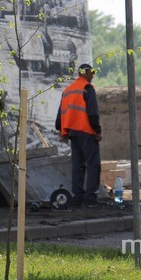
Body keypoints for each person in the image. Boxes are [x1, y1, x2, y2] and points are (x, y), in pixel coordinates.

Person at [54, 63, 102, 206]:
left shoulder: (68, 90)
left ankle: (78, 196)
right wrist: (97, 131)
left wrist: (61, 130)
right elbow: (93, 113)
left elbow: (59, 117)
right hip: (86, 131)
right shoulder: (87, 88)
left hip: (72, 133)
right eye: (91, 72)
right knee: (93, 164)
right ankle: (90, 198)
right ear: (84, 73)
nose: (93, 75)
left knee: (78, 165)